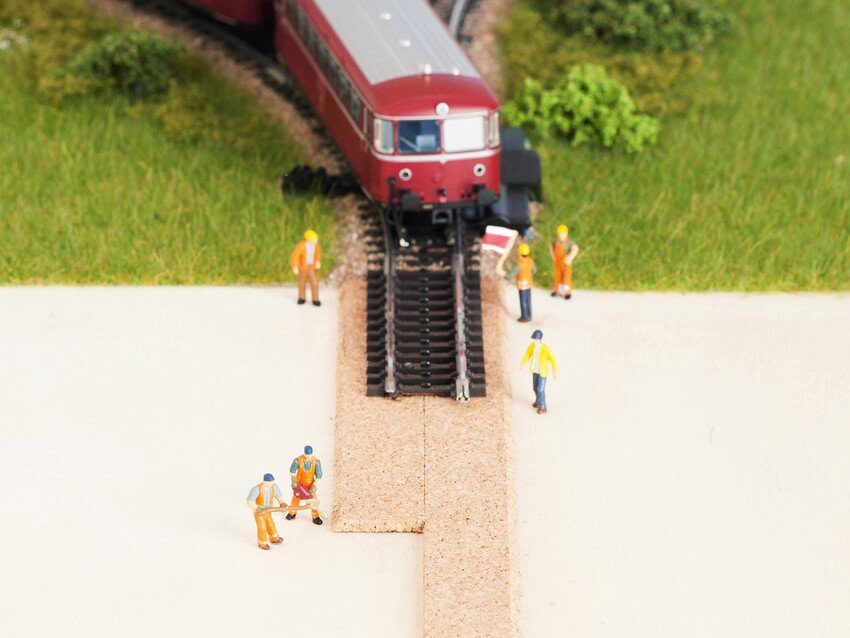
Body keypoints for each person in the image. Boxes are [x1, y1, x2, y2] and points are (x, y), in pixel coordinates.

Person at [519, 330, 558, 414]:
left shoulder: (545, 348)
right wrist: (523, 363)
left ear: (540, 339)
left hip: (542, 372)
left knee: (540, 389)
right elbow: (527, 355)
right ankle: (538, 401)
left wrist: (554, 371)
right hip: (535, 371)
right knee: (535, 388)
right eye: (533, 339)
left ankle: (543, 406)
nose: (534, 341)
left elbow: (553, 360)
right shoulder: (531, 346)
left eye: (536, 339)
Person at [246, 473, 285, 550]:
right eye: (269, 482)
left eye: (272, 482)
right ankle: (262, 542)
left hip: (268, 511)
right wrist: (257, 508)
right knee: (262, 527)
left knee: (271, 524)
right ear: (265, 481)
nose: (271, 484)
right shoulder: (256, 489)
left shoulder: (274, 487)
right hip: (259, 513)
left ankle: (274, 538)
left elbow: (280, 497)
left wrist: (282, 503)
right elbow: (249, 501)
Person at [287, 445, 323, 525]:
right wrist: (293, 481)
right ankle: (292, 512)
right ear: (304, 453)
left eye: (309, 454)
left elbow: (318, 476)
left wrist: (314, 486)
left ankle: (315, 516)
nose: (308, 456)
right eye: (306, 454)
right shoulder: (298, 460)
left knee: (313, 501)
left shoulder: (316, 462)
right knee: (295, 498)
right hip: (299, 484)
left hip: (310, 484)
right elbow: (292, 471)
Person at [290, 229, 322, 306]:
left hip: (310, 267)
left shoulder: (316, 246)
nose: (316, 240)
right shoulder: (301, 246)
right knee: (302, 283)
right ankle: (302, 297)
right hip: (302, 267)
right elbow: (295, 256)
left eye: (316, 239)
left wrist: (317, 261)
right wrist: (295, 266)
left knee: (314, 283)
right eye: (314, 239)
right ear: (308, 239)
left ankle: (315, 299)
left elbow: (317, 254)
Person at [549, 224, 579, 299]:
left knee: (566, 279)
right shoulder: (555, 242)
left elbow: (575, 248)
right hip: (557, 263)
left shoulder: (569, 242)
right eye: (560, 234)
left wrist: (570, 258)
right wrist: (553, 257)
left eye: (563, 234)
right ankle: (556, 291)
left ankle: (567, 293)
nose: (561, 236)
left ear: (566, 234)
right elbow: (551, 247)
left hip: (566, 264)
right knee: (557, 278)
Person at [514, 243, 535, 322]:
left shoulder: (519, 263)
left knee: (523, 301)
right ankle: (529, 315)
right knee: (528, 300)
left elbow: (514, 272)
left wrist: (507, 276)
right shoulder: (530, 260)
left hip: (522, 285)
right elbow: (534, 270)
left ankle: (524, 317)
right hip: (529, 283)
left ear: (520, 253)